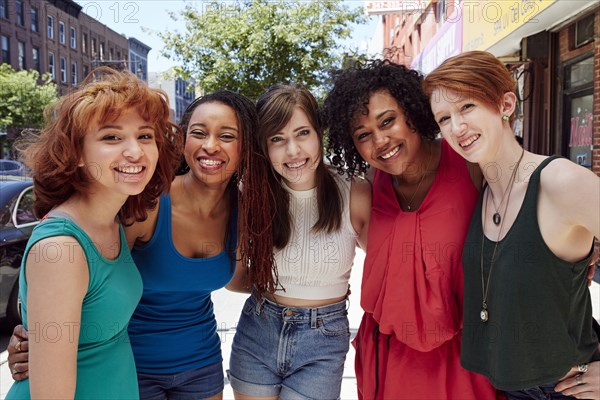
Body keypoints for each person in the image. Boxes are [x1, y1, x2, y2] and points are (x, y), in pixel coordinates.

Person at [7, 91, 276, 400]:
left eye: (227, 135)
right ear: (182, 141)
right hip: (135, 366)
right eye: (199, 133)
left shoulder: (243, 211)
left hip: (201, 363)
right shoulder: (144, 205)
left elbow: (241, 280)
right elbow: (82, 278)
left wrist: (308, 294)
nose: (211, 145)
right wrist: (41, 338)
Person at [424, 50, 600, 400]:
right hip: (509, 389)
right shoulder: (481, 192)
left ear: (505, 104)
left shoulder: (560, 181)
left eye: (467, 107)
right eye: (444, 118)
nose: (457, 127)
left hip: (567, 389)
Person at [323, 59, 501, 399]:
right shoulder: (367, 188)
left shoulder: (471, 165)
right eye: (363, 135)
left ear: (412, 113)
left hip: (465, 361)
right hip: (389, 361)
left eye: (388, 121)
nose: (380, 140)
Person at [5, 67, 182, 399]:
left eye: (145, 135)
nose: (135, 151)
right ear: (77, 154)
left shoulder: (116, 221)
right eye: (111, 137)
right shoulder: (61, 247)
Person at [227, 83, 371, 400]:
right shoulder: (250, 194)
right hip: (258, 330)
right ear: (263, 147)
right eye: (277, 139)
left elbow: (387, 269)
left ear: (319, 133)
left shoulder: (354, 192)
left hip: (323, 339)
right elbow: (234, 279)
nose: (292, 151)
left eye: (302, 133)